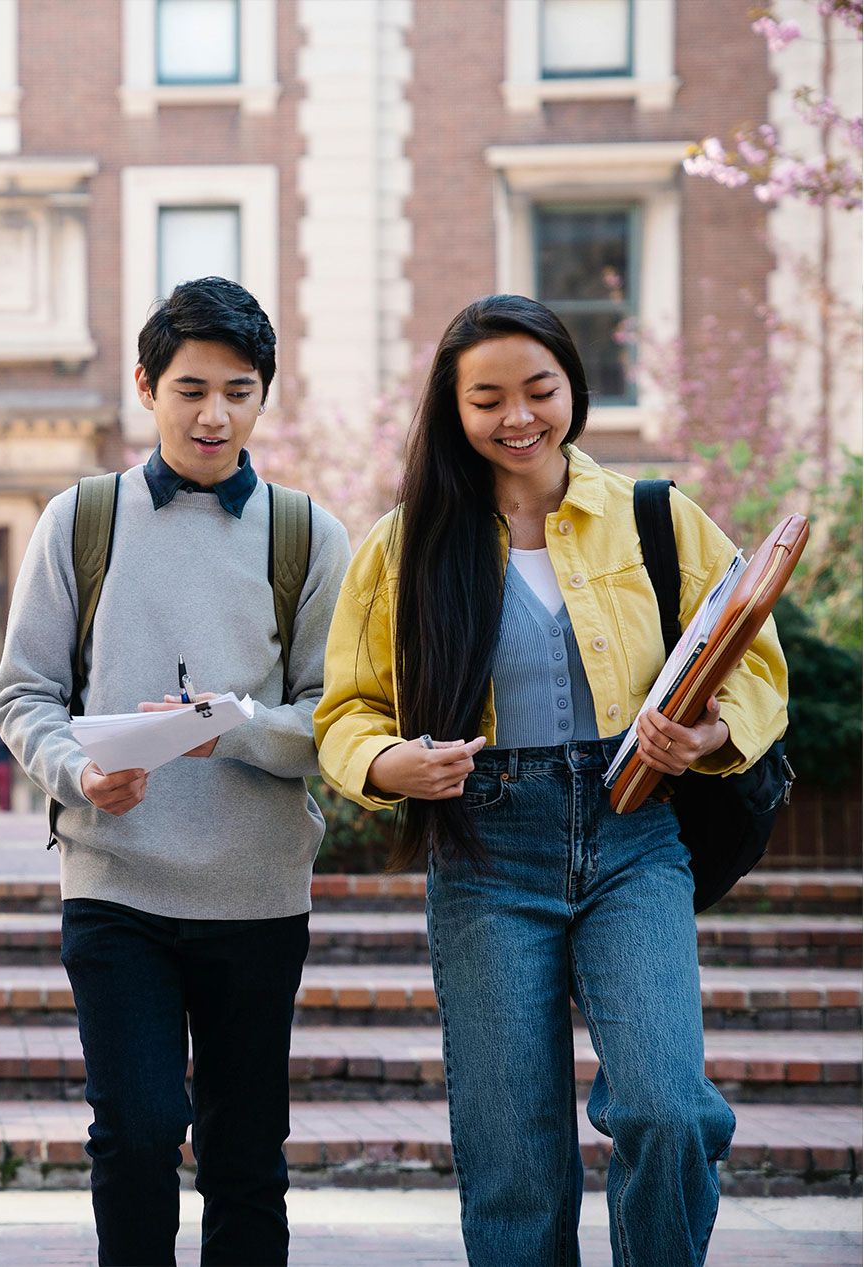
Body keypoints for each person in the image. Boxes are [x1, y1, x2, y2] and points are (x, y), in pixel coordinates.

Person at [314, 294, 788, 1266]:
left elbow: (756, 663)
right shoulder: (403, 546)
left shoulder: (654, 516)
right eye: (486, 398)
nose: (517, 415)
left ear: (573, 382)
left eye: (539, 388)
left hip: (634, 837)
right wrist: (385, 762)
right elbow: (346, 710)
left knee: (667, 1109)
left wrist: (705, 734)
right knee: (514, 1165)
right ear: (453, 410)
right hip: (485, 850)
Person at [0, 277, 352, 1266]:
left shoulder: (307, 534)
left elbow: (338, 717)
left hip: (257, 891)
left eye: (238, 390)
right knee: (140, 1129)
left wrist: (228, 730)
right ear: (147, 386)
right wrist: (78, 772)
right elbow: (21, 694)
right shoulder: (80, 521)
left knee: (245, 1153)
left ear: (262, 396)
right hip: (116, 883)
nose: (213, 412)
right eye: (190, 387)